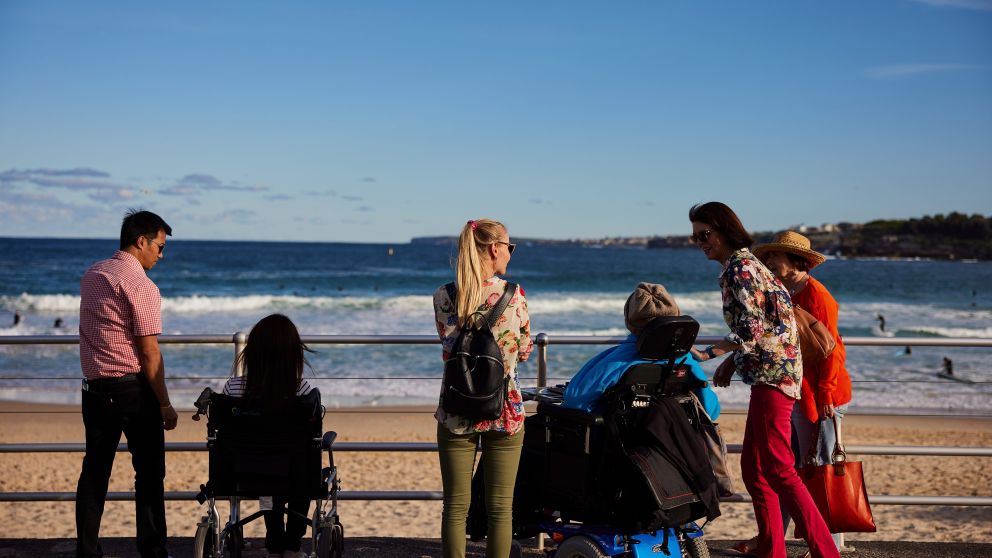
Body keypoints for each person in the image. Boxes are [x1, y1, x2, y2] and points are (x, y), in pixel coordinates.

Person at [688, 202, 838, 558]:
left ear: (724, 231)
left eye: (704, 235)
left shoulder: (740, 268)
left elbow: (752, 327)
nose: (700, 243)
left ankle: (826, 551)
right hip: (772, 373)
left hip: (774, 377)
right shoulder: (746, 265)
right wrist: (732, 362)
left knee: (779, 468)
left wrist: (709, 354)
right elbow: (767, 324)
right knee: (754, 468)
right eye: (695, 238)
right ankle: (772, 548)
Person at [76, 209, 177, 558]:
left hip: (95, 389)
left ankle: (87, 551)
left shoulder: (93, 274)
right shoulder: (141, 286)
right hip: (133, 391)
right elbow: (149, 353)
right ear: (141, 241)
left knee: (94, 473)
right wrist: (164, 403)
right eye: (159, 247)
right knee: (149, 476)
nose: (161, 255)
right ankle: (152, 550)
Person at [433, 219, 533, 558]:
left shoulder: (444, 296)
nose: (510, 253)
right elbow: (523, 350)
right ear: (494, 248)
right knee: (500, 510)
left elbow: (448, 349)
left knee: (455, 508)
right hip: (503, 411)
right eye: (509, 247)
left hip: (456, 410)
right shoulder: (514, 295)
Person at [755, 231, 853, 553]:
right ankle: (775, 538)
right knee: (790, 467)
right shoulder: (784, 292)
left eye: (775, 257)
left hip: (823, 396)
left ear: (797, 261)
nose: (769, 262)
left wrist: (825, 394)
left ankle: (832, 545)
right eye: (768, 257)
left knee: (822, 467)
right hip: (795, 391)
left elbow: (832, 351)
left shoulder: (817, 296)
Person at [222, 313, 316, 558]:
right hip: (294, 474)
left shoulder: (232, 389)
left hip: (248, 471)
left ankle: (274, 543)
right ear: (293, 354)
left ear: (252, 352)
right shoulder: (302, 391)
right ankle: (292, 546)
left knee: (267, 490)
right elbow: (310, 438)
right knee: (300, 475)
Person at [563, 282, 720, 420]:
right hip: (672, 446)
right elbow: (711, 412)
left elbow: (576, 402)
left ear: (629, 321)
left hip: (618, 445)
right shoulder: (685, 361)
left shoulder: (617, 360)